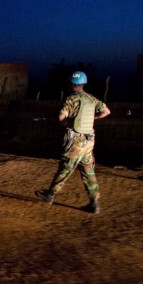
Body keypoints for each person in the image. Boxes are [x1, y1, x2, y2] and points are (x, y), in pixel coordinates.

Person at [35, 71, 111, 214]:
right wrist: (94, 118)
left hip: (76, 140)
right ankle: (94, 203)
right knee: (88, 171)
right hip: (89, 140)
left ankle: (50, 194)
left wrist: (69, 121)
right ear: (83, 84)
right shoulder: (91, 99)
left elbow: (61, 117)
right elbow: (106, 111)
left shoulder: (72, 99)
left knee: (66, 167)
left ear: (72, 84)